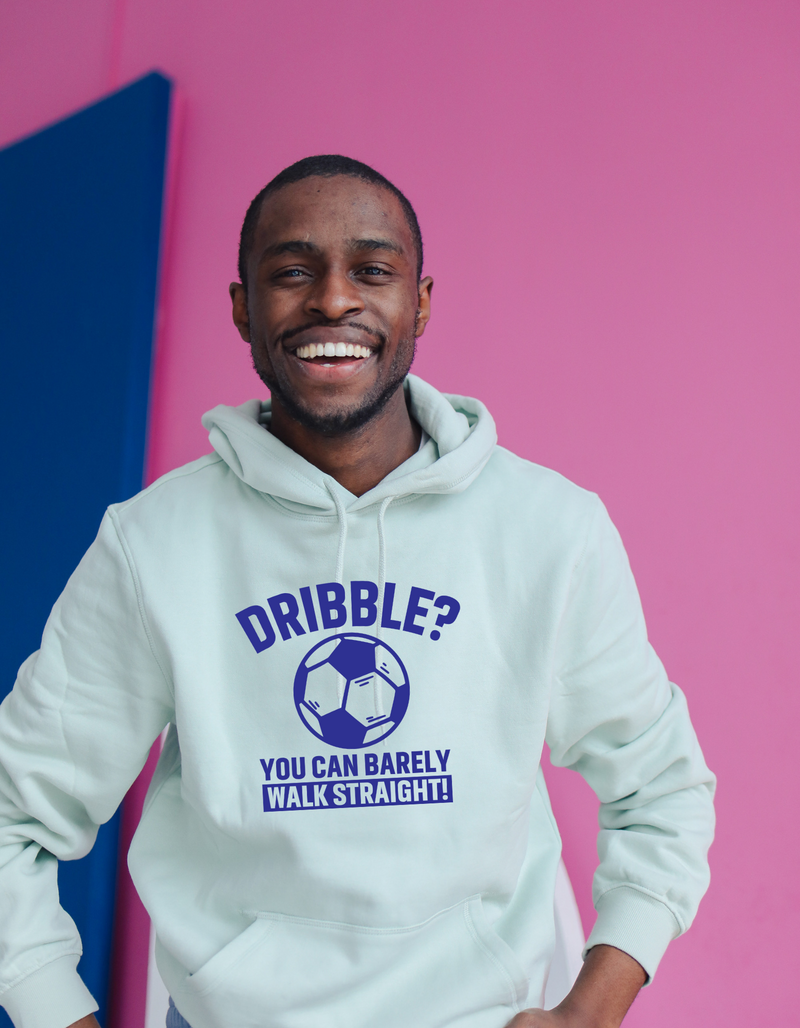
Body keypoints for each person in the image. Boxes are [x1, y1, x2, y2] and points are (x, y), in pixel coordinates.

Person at [0, 155, 715, 1028]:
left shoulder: (548, 529)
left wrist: (589, 1012)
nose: (333, 300)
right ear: (241, 308)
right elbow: (11, 813)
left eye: (372, 271)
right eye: (292, 272)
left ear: (418, 302)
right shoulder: (154, 546)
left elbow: (663, 792)